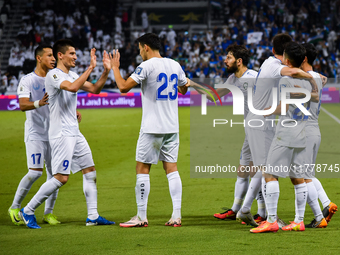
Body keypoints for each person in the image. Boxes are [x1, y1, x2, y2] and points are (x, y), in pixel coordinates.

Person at [19, 39, 114, 229]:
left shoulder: (72, 75)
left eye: (76, 54)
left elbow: (95, 89)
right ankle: (27, 210)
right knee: (61, 178)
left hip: (74, 131)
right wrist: (90, 68)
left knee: (90, 170)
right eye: (72, 54)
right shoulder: (54, 75)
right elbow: (70, 87)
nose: (75, 57)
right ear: (60, 55)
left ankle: (93, 216)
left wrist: (105, 71)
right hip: (61, 133)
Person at [237, 34, 317, 228]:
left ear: (273, 50)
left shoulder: (269, 63)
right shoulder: (274, 66)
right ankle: (255, 213)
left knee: (264, 167)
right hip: (260, 120)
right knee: (267, 168)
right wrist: (312, 76)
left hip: (260, 120)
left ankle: (250, 210)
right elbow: (293, 72)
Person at [111, 33, 189, 227]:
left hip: (152, 127)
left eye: (139, 49)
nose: (139, 53)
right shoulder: (175, 65)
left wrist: (114, 67)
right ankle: (176, 216)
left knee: (142, 168)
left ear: (146, 47)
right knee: (172, 170)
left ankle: (141, 216)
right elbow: (184, 89)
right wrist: (184, 84)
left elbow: (122, 87)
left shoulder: (146, 66)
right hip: (172, 127)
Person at [188, 45, 266, 223]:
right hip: (250, 129)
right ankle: (235, 209)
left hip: (261, 128)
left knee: (257, 170)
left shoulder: (255, 77)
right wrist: (192, 84)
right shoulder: (232, 79)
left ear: (239, 61)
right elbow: (213, 96)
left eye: (229, 58)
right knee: (243, 170)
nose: (225, 60)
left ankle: (263, 212)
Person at [8, 44, 61, 226]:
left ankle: (48, 213)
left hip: (53, 134)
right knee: (35, 172)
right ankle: (15, 206)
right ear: (39, 58)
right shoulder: (28, 80)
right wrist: (39, 102)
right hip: (35, 134)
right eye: (49, 55)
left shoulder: (54, 78)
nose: (53, 59)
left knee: (56, 175)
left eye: (54, 56)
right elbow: (23, 105)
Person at [300, 43, 337, 228]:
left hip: (305, 130)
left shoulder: (306, 78)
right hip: (315, 129)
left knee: (302, 176)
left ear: (304, 58)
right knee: (308, 174)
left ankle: (318, 216)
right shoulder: (316, 77)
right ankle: (327, 203)